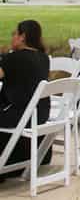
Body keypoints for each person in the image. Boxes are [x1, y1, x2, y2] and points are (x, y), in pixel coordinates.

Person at [0, 20, 50, 166]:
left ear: (23, 36)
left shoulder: (14, 58)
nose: (12, 37)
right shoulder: (43, 58)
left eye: (14, 34)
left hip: (21, 115)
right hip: (39, 114)